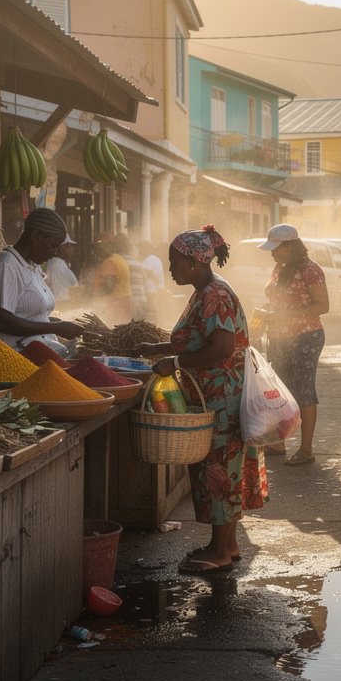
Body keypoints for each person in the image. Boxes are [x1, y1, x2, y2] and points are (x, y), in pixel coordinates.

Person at [134, 226, 264, 575]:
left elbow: (221, 348)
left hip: (222, 400)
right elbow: (197, 340)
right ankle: (226, 545)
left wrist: (172, 363)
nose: (172, 268)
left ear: (194, 262)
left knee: (219, 473)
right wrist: (158, 348)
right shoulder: (204, 290)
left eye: (175, 262)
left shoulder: (215, 295)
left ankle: (220, 551)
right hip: (215, 397)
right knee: (224, 471)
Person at [260, 224, 329, 466]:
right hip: (279, 337)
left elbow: (322, 306)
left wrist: (285, 314)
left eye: (277, 249)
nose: (272, 254)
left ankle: (306, 449)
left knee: (303, 390)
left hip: (305, 337)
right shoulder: (281, 267)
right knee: (279, 391)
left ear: (291, 247)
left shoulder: (311, 269)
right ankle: (278, 443)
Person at [0, 208, 84, 350]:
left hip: (36, 353)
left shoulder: (34, 266)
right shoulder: (7, 265)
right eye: (52, 246)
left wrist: (52, 322)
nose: (54, 253)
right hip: (12, 358)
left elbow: (28, 316)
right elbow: (0, 321)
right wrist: (55, 328)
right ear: (35, 235)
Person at [46, 235, 79, 304]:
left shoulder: (55, 262)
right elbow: (62, 295)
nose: (72, 249)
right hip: (64, 305)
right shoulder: (58, 264)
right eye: (69, 245)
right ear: (62, 248)